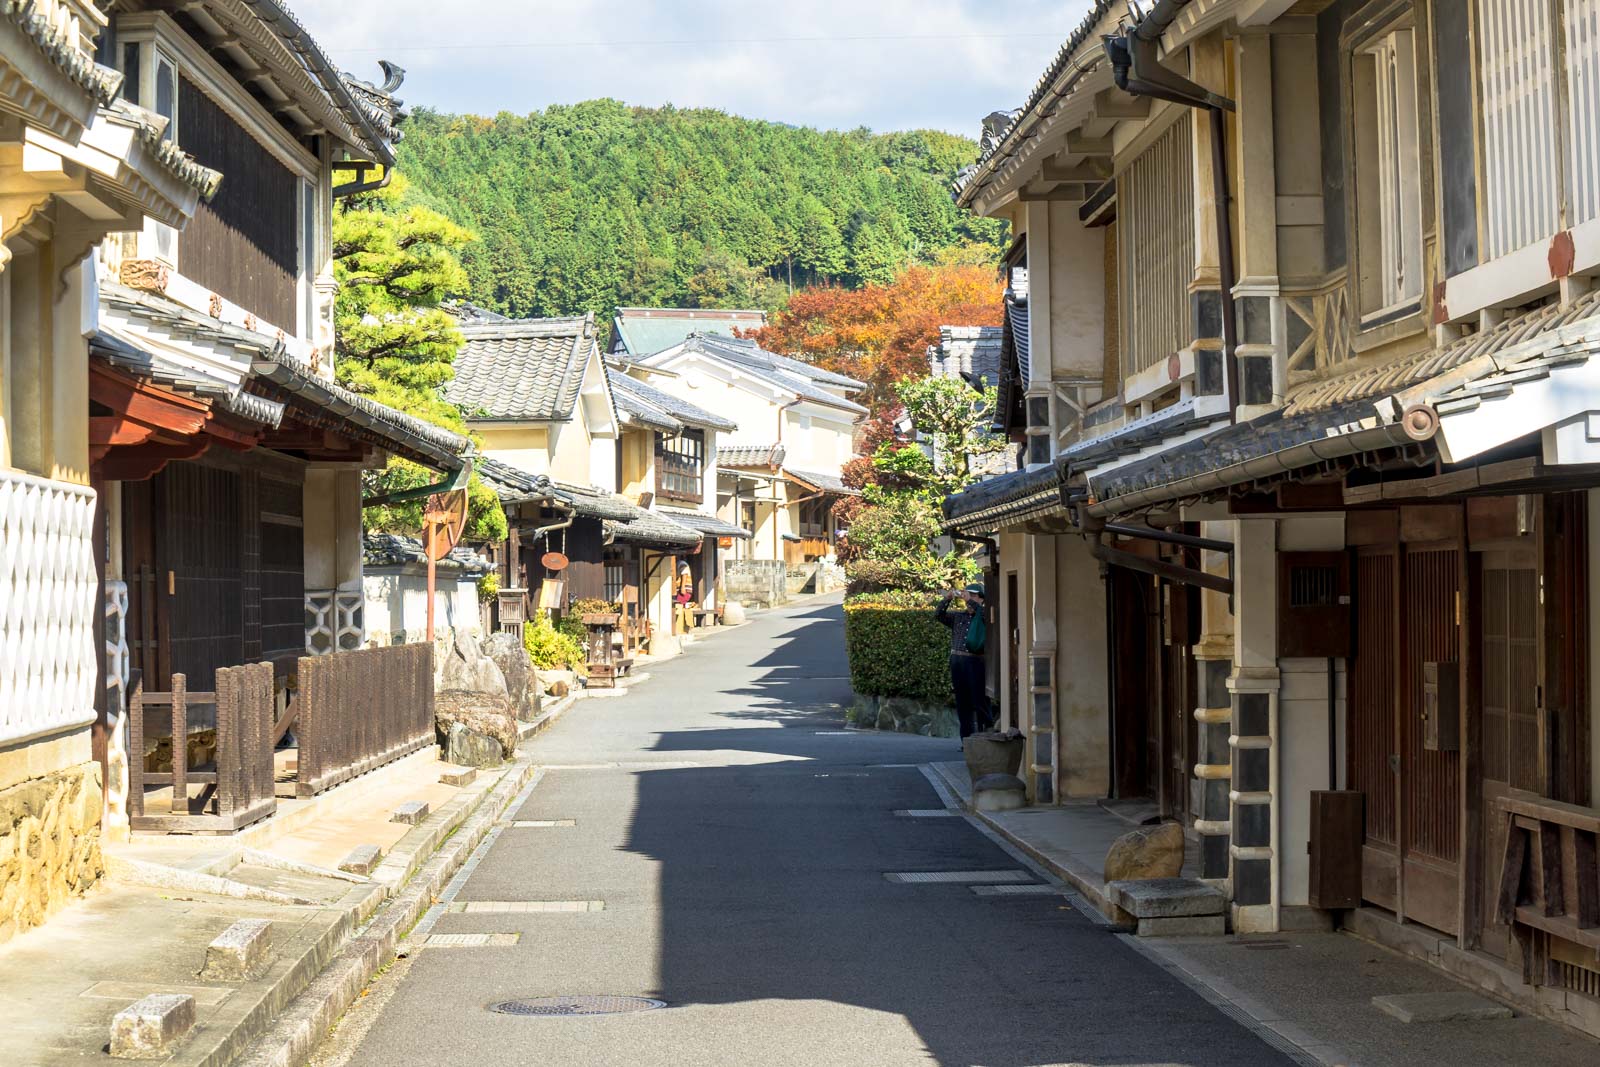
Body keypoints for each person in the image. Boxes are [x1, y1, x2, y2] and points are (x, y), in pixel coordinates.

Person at [935, 583, 991, 739]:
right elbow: (938, 615)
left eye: (974, 595)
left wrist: (969, 600)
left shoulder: (984, 615)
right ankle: (966, 739)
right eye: (968, 594)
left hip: (976, 661)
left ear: (981, 599)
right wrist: (947, 599)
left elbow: (984, 614)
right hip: (957, 661)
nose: (969, 598)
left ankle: (985, 735)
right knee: (962, 701)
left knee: (979, 699)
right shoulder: (959, 616)